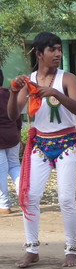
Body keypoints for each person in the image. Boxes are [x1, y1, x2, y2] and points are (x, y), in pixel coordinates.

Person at [8, 32, 76, 268]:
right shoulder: (29, 80)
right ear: (39, 54)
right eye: (52, 50)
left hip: (67, 143)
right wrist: (12, 92)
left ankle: (71, 249)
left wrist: (56, 94)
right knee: (29, 197)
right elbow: (12, 115)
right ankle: (32, 249)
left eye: (59, 49)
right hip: (40, 144)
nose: (58, 54)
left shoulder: (67, 78)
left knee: (65, 198)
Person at [0, 69, 22, 214]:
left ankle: (4, 206)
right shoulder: (10, 94)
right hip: (13, 135)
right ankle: (25, 197)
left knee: (1, 172)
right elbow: (17, 116)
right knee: (14, 166)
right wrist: (19, 135)